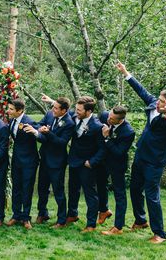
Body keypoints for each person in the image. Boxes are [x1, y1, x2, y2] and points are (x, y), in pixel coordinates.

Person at [116, 62, 166, 243]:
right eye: (159, 99)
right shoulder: (153, 104)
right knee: (135, 189)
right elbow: (141, 90)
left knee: (152, 196)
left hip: (155, 162)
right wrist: (126, 73)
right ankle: (140, 220)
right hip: (141, 156)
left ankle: (160, 234)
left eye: (162, 101)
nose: (157, 102)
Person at [24, 97, 75, 228]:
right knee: (42, 188)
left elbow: (62, 143)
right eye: (53, 106)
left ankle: (61, 220)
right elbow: (39, 124)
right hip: (45, 158)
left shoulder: (69, 123)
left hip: (57, 161)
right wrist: (40, 128)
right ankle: (42, 213)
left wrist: (48, 133)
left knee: (58, 191)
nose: (53, 109)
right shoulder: (49, 114)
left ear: (64, 110)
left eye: (56, 108)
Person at [66, 96, 105, 233]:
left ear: (88, 111)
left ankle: (91, 224)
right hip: (73, 161)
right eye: (76, 109)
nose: (76, 112)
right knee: (73, 190)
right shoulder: (75, 117)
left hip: (87, 164)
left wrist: (92, 162)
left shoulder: (97, 126)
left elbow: (102, 148)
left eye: (79, 110)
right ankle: (72, 215)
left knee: (90, 194)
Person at [97, 106, 135, 235]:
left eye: (111, 119)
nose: (108, 119)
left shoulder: (128, 132)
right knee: (100, 185)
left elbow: (119, 152)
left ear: (120, 120)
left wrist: (107, 138)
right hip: (103, 161)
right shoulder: (106, 116)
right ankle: (104, 210)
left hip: (117, 165)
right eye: (109, 116)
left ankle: (118, 227)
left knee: (119, 194)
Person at [6, 99, 39, 229]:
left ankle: (26, 217)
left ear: (19, 111)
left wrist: (37, 132)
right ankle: (16, 215)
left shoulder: (29, 122)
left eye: (11, 109)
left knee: (27, 189)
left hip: (29, 162)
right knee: (16, 189)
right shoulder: (12, 121)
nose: (8, 111)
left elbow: (40, 136)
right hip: (16, 160)